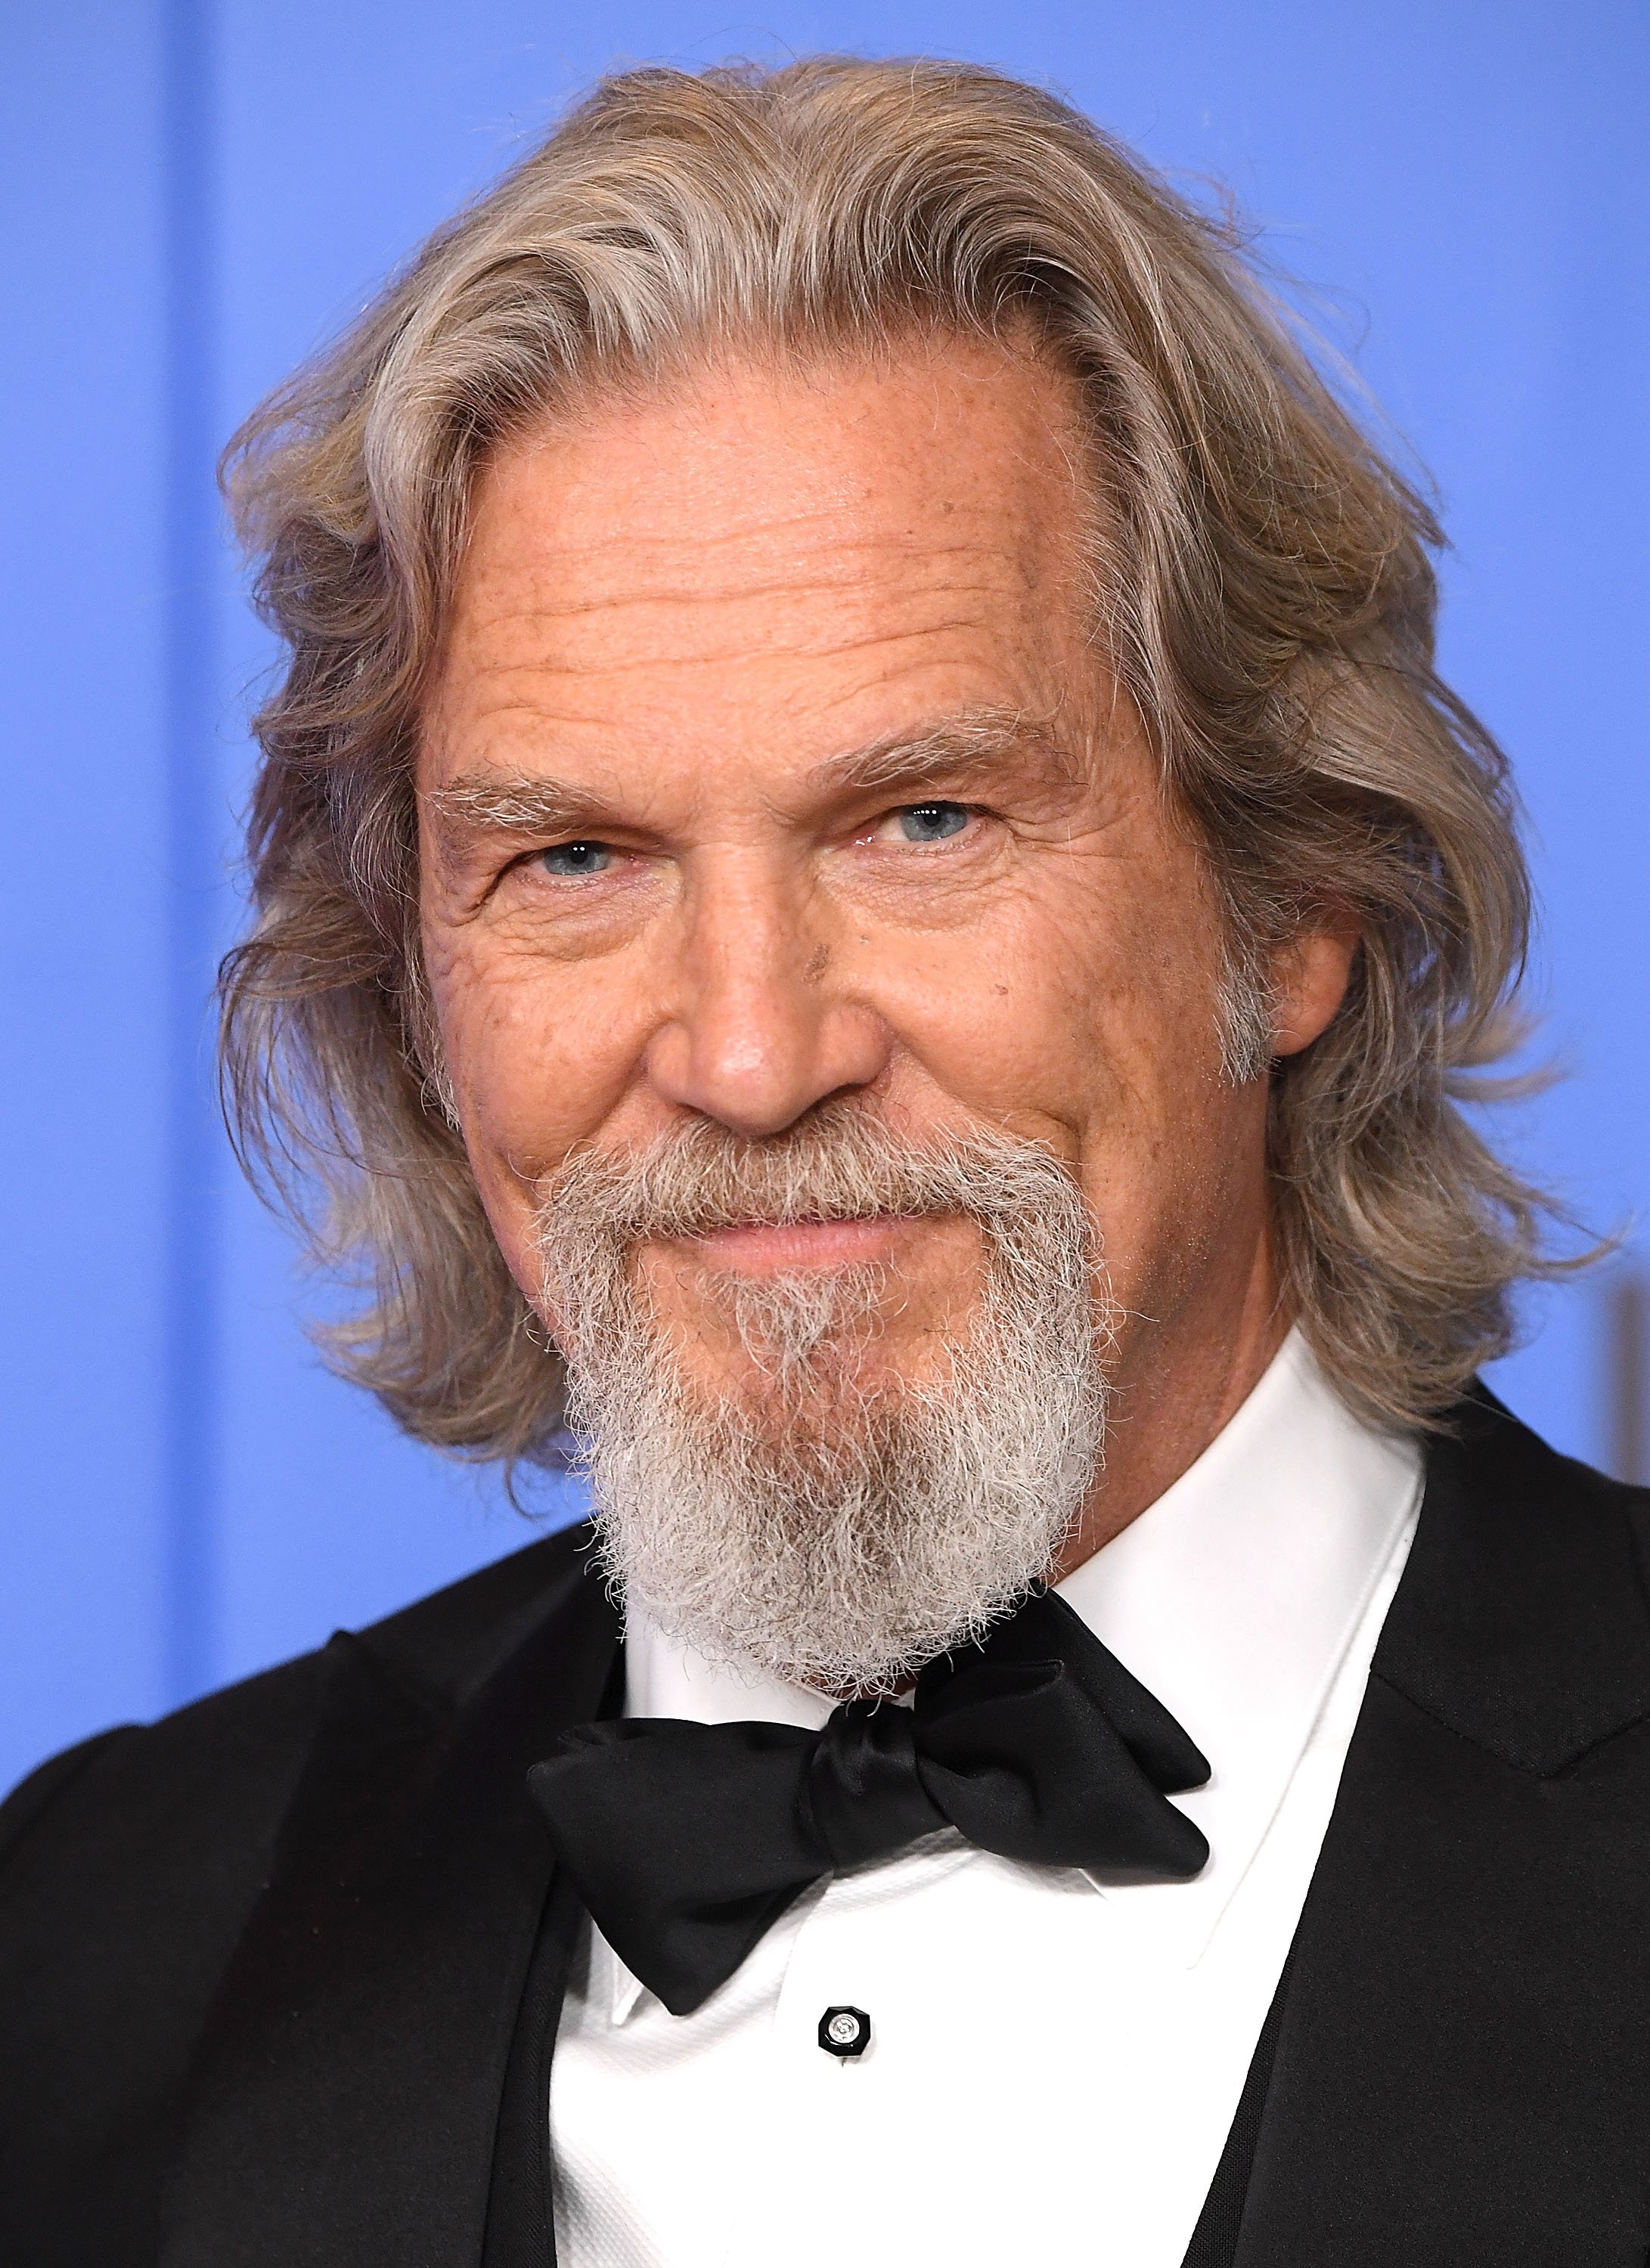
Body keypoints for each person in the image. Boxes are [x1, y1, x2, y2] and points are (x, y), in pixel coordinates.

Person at [3, 53, 1647, 2268]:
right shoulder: (95, 1950)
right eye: (575, 855)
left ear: (1300, 905)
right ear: (417, 985)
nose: (754, 1053)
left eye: (926, 821)